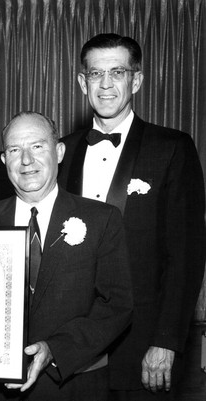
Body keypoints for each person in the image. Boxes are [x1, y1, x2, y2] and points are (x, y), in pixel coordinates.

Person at [57, 33, 206, 401]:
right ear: (82, 81)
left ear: (136, 80)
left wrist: (166, 342)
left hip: (143, 346)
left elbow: (185, 257)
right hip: (72, 347)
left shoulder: (172, 148)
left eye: (117, 72)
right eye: (95, 74)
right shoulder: (63, 149)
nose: (105, 84)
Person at [0, 111, 133, 400]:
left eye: (38, 146)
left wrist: (55, 349)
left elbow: (117, 306)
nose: (26, 160)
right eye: (14, 150)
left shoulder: (102, 219)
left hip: (72, 384)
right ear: (4, 160)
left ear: (60, 151)